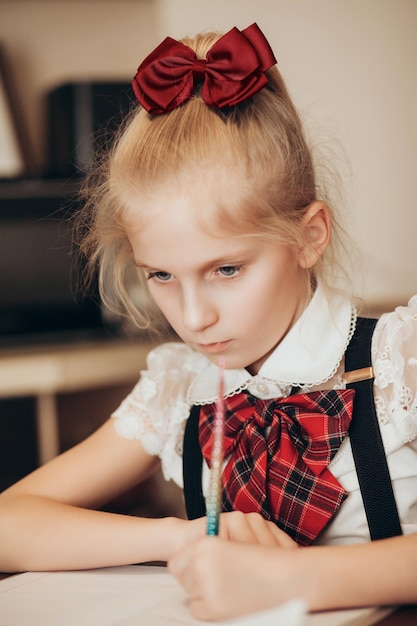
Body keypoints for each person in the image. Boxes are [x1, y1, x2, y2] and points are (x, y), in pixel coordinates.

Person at [0, 21, 416, 622]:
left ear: (309, 236)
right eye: (161, 276)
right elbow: (11, 523)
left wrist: (298, 579)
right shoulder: (179, 386)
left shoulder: (399, 359)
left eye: (226, 269)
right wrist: (180, 538)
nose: (193, 319)